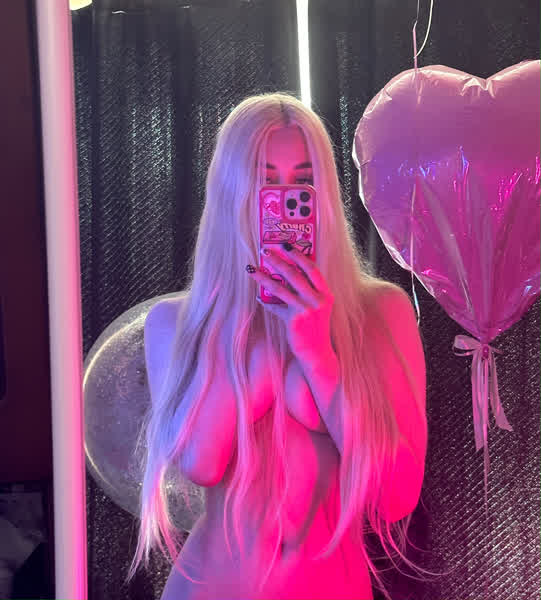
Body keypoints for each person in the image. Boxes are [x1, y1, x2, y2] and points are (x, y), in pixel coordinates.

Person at [126, 92, 431, 599]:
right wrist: (260, 356)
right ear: (232, 192)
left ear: (323, 195)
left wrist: (317, 354)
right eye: (264, 181)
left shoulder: (381, 313)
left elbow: (396, 496)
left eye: (303, 183)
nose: (285, 200)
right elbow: (201, 462)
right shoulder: (179, 321)